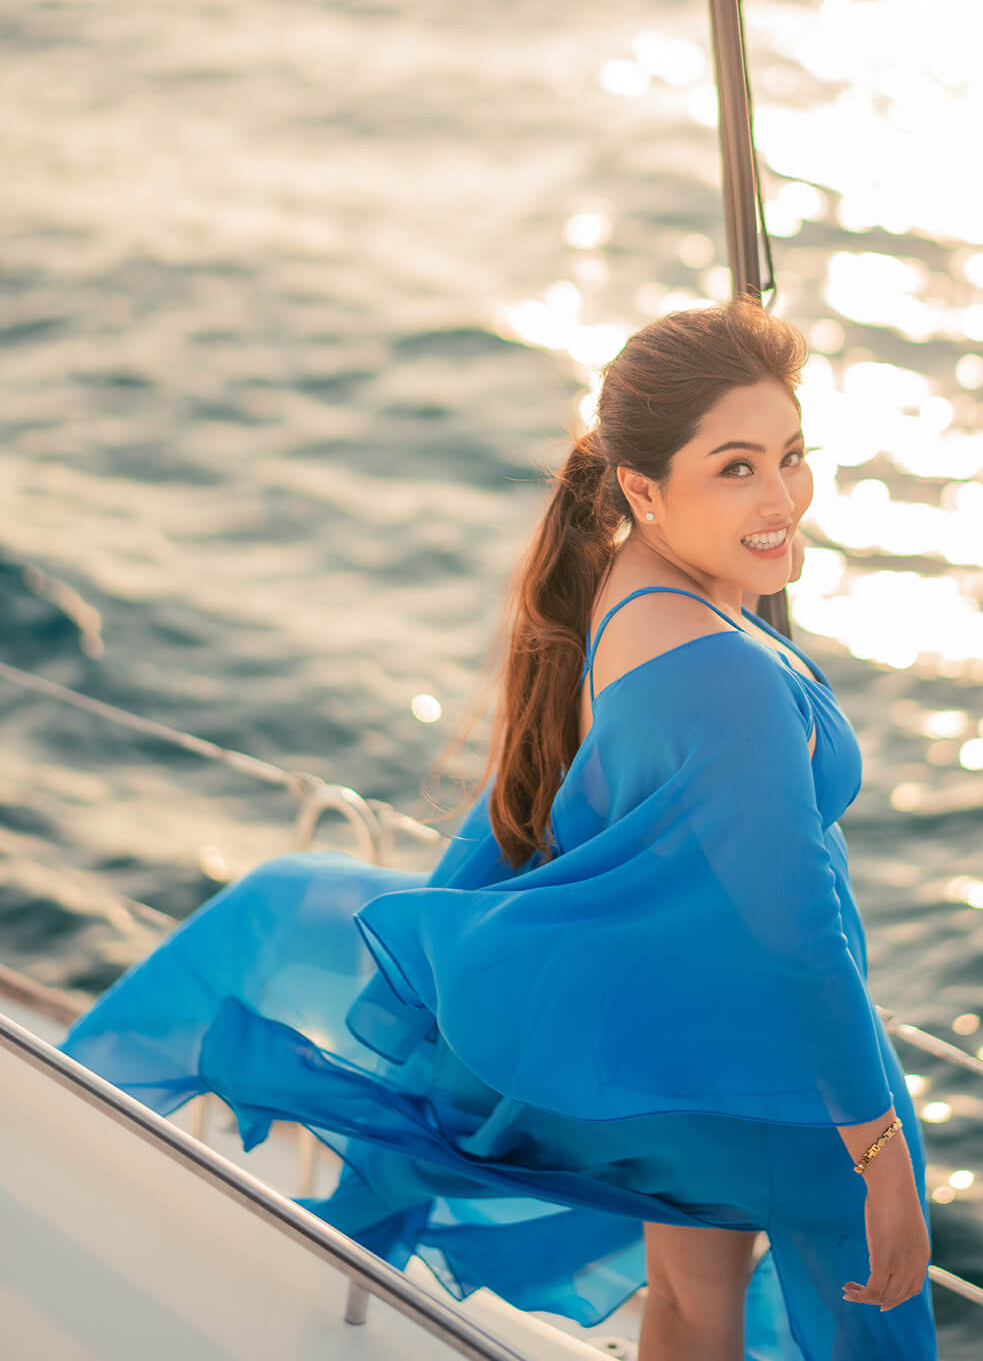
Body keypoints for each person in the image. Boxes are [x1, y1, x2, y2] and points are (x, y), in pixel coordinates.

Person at [62, 296, 937, 1361]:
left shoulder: (628, 587)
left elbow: (555, 806)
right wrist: (879, 1153)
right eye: (736, 465)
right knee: (865, 1333)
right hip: (779, 1075)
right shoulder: (722, 675)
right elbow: (795, 931)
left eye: (791, 454)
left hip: (670, 1046)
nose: (784, 496)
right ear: (641, 485)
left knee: (690, 1300)